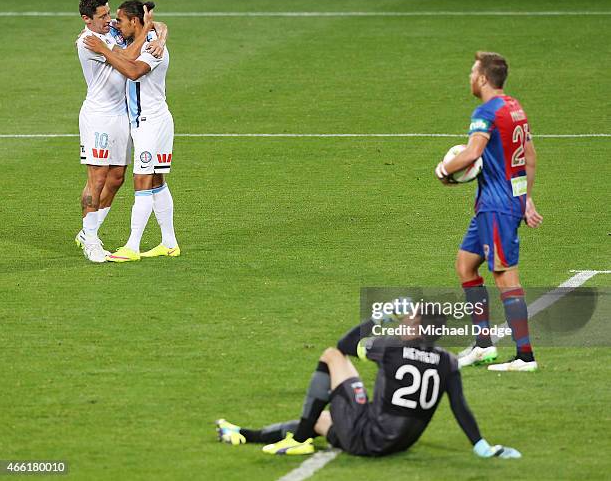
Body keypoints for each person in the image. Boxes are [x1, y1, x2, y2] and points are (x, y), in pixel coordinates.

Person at [216, 306, 521, 459]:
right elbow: (460, 408)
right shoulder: (448, 361)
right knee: (321, 420)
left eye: (409, 319)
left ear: (416, 328)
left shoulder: (392, 347)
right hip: (398, 443)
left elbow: (344, 343)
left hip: (368, 435)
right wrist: (482, 446)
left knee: (332, 356)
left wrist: (381, 316)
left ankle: (296, 441)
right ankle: (244, 434)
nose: (404, 321)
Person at [435, 51, 543, 372]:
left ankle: (525, 356)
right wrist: (526, 199)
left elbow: (472, 152)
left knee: (505, 277)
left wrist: (443, 169)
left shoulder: (486, 112)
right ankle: (483, 347)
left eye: (472, 72)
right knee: (465, 265)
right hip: (499, 203)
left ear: (483, 78)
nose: (469, 77)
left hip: (497, 207)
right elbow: (530, 157)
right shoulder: (515, 108)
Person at [84, 0, 179, 262]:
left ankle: (132, 247)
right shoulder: (140, 36)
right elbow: (160, 24)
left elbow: (134, 71)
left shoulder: (152, 48)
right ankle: (169, 243)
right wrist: (160, 30)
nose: (115, 23)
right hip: (147, 122)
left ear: (134, 22)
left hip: (151, 123)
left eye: (121, 20)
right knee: (157, 181)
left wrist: (104, 50)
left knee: (142, 182)